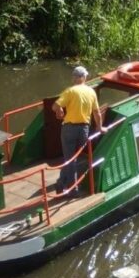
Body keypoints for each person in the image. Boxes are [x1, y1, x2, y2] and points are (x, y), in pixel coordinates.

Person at [52, 66, 106, 196]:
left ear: (74, 78)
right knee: (79, 156)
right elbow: (97, 113)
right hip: (84, 129)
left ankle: (71, 187)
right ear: (84, 77)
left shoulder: (70, 91)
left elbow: (55, 106)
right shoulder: (91, 92)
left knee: (69, 158)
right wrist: (99, 127)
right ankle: (64, 183)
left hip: (69, 128)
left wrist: (59, 111)